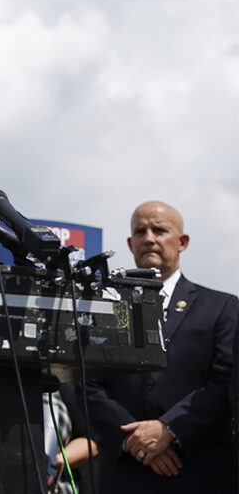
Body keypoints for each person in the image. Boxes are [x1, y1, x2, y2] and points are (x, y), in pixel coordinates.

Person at [85, 201, 237, 492]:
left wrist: (169, 429)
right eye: (140, 231)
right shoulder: (101, 308)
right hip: (125, 473)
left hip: (200, 469)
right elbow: (87, 383)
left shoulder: (222, 308)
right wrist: (134, 440)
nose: (150, 238)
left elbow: (224, 382)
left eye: (160, 230)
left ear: (182, 241)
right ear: (131, 243)